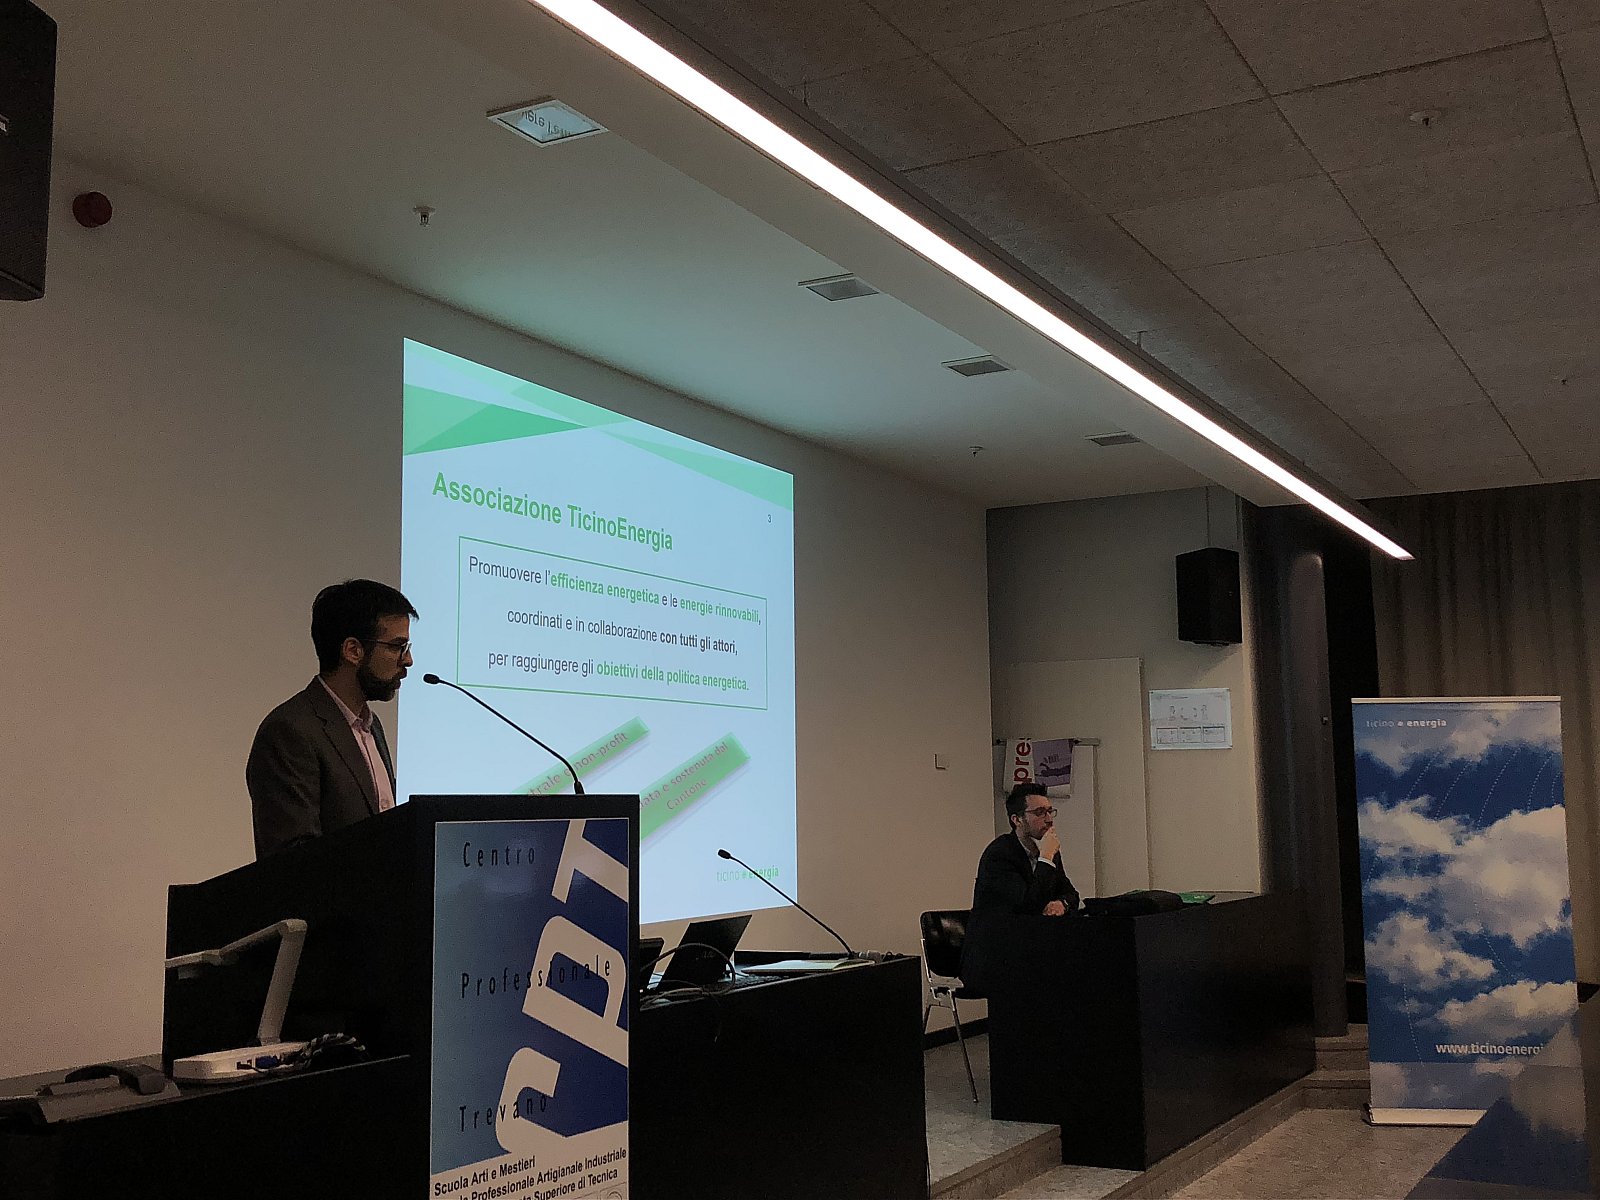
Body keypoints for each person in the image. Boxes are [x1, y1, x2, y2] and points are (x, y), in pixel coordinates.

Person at [246, 579, 417, 858]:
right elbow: (290, 859)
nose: (408, 660)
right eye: (397, 646)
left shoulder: (372, 727)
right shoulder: (290, 731)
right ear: (353, 651)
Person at [961, 782, 1080, 990]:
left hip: (1030, 948)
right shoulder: (999, 855)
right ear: (1017, 820)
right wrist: (1045, 858)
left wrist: (1062, 904)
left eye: (1050, 811)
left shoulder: (1048, 852)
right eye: (1040, 812)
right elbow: (1028, 905)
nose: (1049, 819)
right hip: (996, 954)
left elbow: (1071, 894)